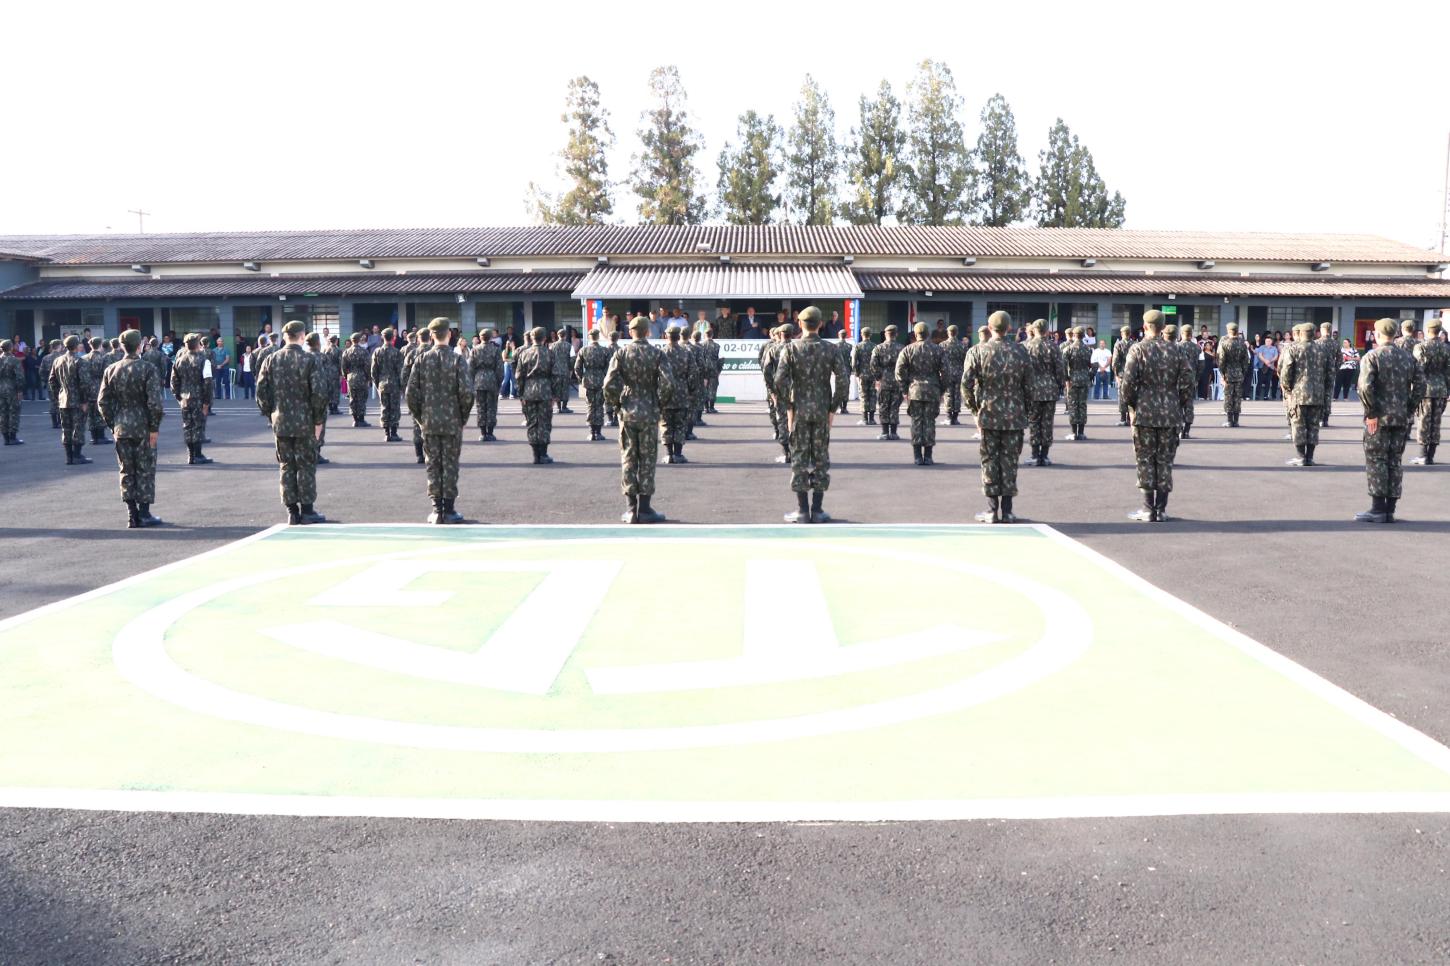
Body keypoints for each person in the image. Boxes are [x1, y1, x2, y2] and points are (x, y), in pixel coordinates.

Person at [1119, 310, 1195, 523]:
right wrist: (1178, 402)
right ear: (1163, 328)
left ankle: (1147, 509)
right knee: (1165, 461)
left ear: (1145, 326)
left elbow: (1127, 384)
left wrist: (1133, 405)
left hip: (1144, 413)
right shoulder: (1177, 350)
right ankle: (1161, 510)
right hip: (1170, 413)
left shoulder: (1138, 349)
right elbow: (1188, 381)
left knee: (1145, 460)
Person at [775, 306, 846, 522]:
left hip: (800, 411)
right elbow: (843, 381)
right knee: (821, 458)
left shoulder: (790, 349)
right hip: (822, 411)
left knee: (799, 458)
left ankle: (802, 510)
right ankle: (817, 510)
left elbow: (779, 381)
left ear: (800, 323)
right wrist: (832, 409)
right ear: (820, 324)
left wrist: (789, 407)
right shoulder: (831, 349)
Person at [603, 315, 678, 523]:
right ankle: (644, 508)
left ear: (630, 332)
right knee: (647, 459)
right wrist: (659, 403)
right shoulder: (657, 354)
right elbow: (669, 383)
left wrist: (617, 405)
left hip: (628, 412)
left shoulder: (621, 353)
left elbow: (608, 384)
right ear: (648, 332)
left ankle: (630, 509)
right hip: (649, 410)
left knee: (628, 458)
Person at [961, 311, 1031, 524]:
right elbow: (1030, 386)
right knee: (1010, 461)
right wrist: (1024, 410)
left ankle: (991, 510)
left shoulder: (977, 351)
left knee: (990, 460)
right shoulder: (1021, 351)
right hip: (1014, 416)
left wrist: (975, 410)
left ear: (990, 328)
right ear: (1009, 328)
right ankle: (1007, 511)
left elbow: (966, 384)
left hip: (989, 415)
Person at [255, 320, 328, 525]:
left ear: (285, 336)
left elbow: (261, 392)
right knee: (306, 465)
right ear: (302, 336)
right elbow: (319, 393)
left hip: (281, 421)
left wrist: (271, 414)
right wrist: (319, 421)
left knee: (286, 465)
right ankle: (307, 510)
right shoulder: (310, 360)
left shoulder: (271, 359)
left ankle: (292, 511)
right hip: (305, 422)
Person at [1356, 318, 1425, 523]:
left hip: (1379, 418)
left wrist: (1371, 413)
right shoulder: (1408, 357)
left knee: (1377, 460)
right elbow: (1421, 385)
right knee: (1394, 461)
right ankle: (1390, 509)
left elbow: (1365, 387)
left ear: (1377, 334)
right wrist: (1409, 408)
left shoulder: (1372, 356)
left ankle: (1378, 509)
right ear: (1395, 335)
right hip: (1400, 417)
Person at [405, 317, 474, 524]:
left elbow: (410, 394)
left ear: (432, 335)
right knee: (450, 464)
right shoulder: (457, 360)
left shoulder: (421, 360)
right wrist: (462, 418)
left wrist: (420, 418)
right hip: (452, 421)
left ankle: (436, 510)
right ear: (449, 334)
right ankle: (449, 510)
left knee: (433, 464)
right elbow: (467, 393)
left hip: (429, 422)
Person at [97, 329, 164, 528]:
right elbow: (155, 403)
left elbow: (102, 402)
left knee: (126, 470)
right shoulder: (148, 369)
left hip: (122, 426)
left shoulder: (111, 369)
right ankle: (144, 513)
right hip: (143, 426)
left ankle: (132, 514)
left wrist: (113, 424)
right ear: (139, 346)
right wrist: (154, 427)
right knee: (145, 468)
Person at [895, 321, 947, 466]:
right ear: (928, 333)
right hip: (932, 390)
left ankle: (917, 456)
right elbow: (946, 372)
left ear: (915, 334)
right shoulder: (938, 350)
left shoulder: (908, 350)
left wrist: (904, 389)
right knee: (929, 422)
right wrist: (941, 389)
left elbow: (899, 371)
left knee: (916, 422)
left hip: (915, 390)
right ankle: (928, 456)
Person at [1279, 323, 1329, 466]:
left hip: (1298, 394)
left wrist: (1287, 390)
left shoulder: (1293, 348)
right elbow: (1330, 372)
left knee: (1298, 425)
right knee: (1313, 426)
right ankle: (1310, 457)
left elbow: (1286, 371)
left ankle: (1301, 457)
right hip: (1317, 393)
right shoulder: (1322, 349)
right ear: (1314, 333)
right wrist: (1324, 390)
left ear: (1301, 334)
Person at [1023, 319, 1066, 467]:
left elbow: (1023, 369)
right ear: (1047, 331)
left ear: (1034, 330)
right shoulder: (1053, 347)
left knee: (1034, 422)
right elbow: (1060, 369)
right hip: (1050, 390)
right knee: (1047, 422)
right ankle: (1045, 455)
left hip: (1032, 390)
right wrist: (1060, 385)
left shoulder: (1027, 346)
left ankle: (1035, 455)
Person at [168, 333, 212, 465]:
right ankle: (198, 454)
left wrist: (179, 397)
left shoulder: (179, 360)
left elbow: (173, 382)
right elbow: (208, 383)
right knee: (198, 425)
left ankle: (190, 455)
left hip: (184, 399)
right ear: (198, 344)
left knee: (187, 426)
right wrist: (207, 402)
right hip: (198, 398)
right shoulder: (204, 360)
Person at [514, 326, 555, 464]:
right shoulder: (549, 353)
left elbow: (519, 376)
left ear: (532, 338)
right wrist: (555, 394)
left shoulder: (524, 353)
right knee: (544, 422)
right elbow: (555, 375)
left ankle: (535, 455)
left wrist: (521, 394)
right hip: (545, 390)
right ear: (544, 338)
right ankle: (543, 453)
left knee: (532, 422)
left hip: (529, 390)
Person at [47, 336, 91, 464]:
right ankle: (77, 455)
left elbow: (52, 381)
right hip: (77, 400)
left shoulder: (57, 361)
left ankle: (69, 456)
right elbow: (84, 383)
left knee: (66, 428)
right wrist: (84, 400)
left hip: (63, 399)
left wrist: (58, 395)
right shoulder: (80, 361)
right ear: (76, 346)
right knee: (78, 427)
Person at [1411, 317, 1447, 464]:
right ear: (1439, 332)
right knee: (1436, 423)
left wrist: (1413, 389)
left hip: (1425, 389)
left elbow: (1418, 370)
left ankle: (1423, 455)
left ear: (1427, 330)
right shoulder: (1446, 348)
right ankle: (1431, 455)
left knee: (1424, 422)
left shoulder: (1421, 347)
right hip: (1441, 389)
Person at [661, 326, 696, 464]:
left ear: (666, 336)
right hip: (682, 392)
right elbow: (693, 374)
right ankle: (678, 454)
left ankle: (668, 454)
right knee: (680, 424)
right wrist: (691, 391)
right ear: (678, 336)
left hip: (665, 393)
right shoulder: (686, 352)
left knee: (666, 424)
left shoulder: (661, 353)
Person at [575, 327, 612, 441]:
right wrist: (606, 378)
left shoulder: (583, 350)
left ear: (589, 337)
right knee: (599, 405)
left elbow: (577, 367)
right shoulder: (604, 350)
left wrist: (581, 378)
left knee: (590, 405)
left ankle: (592, 432)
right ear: (598, 337)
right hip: (601, 379)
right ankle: (598, 432)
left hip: (588, 380)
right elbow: (609, 367)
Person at [370, 327, 404, 443]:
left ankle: (386, 433)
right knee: (394, 408)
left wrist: (377, 383)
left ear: (382, 337)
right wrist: (401, 386)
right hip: (394, 384)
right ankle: (393, 433)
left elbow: (373, 371)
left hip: (382, 384)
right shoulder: (397, 352)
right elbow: (401, 371)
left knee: (384, 407)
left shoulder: (377, 352)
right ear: (393, 337)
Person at [871, 324, 904, 441]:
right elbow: (906, 366)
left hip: (884, 381)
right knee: (895, 407)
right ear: (896, 334)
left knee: (884, 406)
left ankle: (885, 432)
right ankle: (894, 433)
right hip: (897, 382)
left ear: (885, 334)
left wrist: (878, 378)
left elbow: (873, 365)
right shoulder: (902, 348)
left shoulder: (878, 348)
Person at [469, 328, 503, 442]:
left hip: (479, 379)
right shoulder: (495, 349)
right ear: (490, 337)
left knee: (480, 407)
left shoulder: (474, 350)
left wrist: (472, 382)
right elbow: (499, 369)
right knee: (491, 406)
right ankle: (490, 432)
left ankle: (483, 433)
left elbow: (470, 368)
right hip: (491, 379)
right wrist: (499, 383)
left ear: (480, 338)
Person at [1061, 326, 1093, 440]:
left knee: (1073, 405)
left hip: (1072, 381)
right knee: (1082, 405)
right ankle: (1081, 432)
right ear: (1083, 336)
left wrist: (1066, 379)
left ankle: (1074, 432)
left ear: (1074, 335)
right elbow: (1093, 365)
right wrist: (1089, 376)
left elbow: (1063, 365)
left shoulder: (1068, 349)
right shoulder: (1088, 350)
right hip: (1084, 380)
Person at [304, 333, 332, 465]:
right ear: (318, 343)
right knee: (319, 425)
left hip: (304, 398)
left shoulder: (302, 357)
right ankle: (316, 453)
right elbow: (328, 377)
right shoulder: (322, 357)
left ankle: (307, 452)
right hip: (319, 396)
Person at [1217, 323, 1251, 427]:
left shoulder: (1225, 343)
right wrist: (1243, 372)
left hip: (1228, 373)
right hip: (1239, 373)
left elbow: (1221, 360)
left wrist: (1222, 374)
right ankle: (1236, 421)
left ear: (1228, 331)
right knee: (1237, 397)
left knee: (1228, 397)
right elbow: (1246, 360)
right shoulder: (1242, 343)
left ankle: (1229, 420)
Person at [761, 327, 787, 459]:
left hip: (778, 389)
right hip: (795, 391)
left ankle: (786, 451)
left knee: (780, 416)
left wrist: (771, 390)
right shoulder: (797, 348)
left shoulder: (773, 349)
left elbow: (765, 369)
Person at [82, 337, 111, 444]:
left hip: (87, 387)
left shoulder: (84, 358)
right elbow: (107, 374)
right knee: (99, 412)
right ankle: (101, 436)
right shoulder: (103, 358)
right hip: (99, 387)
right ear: (100, 345)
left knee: (91, 414)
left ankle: (94, 437)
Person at [1175, 324, 1200, 439]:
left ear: (1181, 334)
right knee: (1189, 404)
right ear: (1191, 334)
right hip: (1191, 380)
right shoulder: (1197, 348)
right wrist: (1196, 378)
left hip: (1178, 380)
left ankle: (1179, 430)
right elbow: (1201, 365)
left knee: (1178, 405)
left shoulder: (1176, 347)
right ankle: (1187, 430)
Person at [939, 324, 968, 426]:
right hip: (959, 373)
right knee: (957, 394)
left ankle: (948, 417)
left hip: (947, 373)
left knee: (948, 394)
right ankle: (955, 417)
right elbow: (966, 360)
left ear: (948, 333)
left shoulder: (942, 345)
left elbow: (940, 360)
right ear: (957, 333)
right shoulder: (962, 346)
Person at [342, 332, 372, 427]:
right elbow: (367, 366)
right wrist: (369, 378)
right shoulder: (364, 352)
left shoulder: (346, 352)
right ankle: (361, 419)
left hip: (351, 377)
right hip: (362, 377)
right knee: (362, 398)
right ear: (359, 340)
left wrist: (346, 377)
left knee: (353, 398)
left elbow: (343, 367)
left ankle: (355, 420)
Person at [852, 326, 877, 426]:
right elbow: (877, 361)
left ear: (862, 334)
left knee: (863, 395)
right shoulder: (875, 346)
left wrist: (856, 373)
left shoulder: (858, 346)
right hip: (872, 375)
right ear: (870, 335)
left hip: (862, 375)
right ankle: (872, 418)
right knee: (872, 395)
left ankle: (864, 419)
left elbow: (854, 362)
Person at [1110, 326, 1134, 427]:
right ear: (1130, 333)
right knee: (1131, 395)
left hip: (1122, 374)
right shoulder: (1134, 344)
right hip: (1132, 373)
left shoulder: (1118, 344)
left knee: (1122, 395)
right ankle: (1130, 417)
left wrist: (1116, 374)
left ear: (1122, 333)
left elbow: (1115, 361)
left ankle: (1123, 418)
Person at [0, 340, 22, 445]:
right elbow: (19, 376)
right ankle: (13, 437)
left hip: (1, 388)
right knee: (13, 412)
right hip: (11, 389)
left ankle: (5, 438)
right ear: (11, 347)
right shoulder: (14, 360)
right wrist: (20, 390)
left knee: (3, 413)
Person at [1315, 322, 1336, 427]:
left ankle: (1318, 417)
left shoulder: (1316, 343)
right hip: (1330, 373)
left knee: (1318, 394)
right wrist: (1334, 369)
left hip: (1318, 373)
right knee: (1328, 395)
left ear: (1322, 330)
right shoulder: (1335, 343)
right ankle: (1325, 419)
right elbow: (1340, 359)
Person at [550, 327, 574, 413]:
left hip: (555, 371)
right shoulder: (569, 346)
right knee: (565, 389)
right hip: (565, 370)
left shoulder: (552, 346)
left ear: (558, 335)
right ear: (565, 335)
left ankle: (558, 408)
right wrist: (571, 370)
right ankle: (564, 407)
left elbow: (550, 358)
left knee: (557, 389)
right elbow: (572, 359)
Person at [701, 325, 723, 415]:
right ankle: (712, 407)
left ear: (705, 335)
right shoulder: (717, 346)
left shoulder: (701, 345)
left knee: (704, 388)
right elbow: (719, 359)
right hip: (714, 368)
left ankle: (706, 407)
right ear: (712, 335)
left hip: (704, 368)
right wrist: (719, 370)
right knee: (713, 388)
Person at [833, 327, 853, 415]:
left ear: (839, 335)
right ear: (846, 336)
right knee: (846, 388)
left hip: (838, 370)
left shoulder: (835, 346)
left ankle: (839, 407)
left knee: (838, 388)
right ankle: (844, 408)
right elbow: (851, 359)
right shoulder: (849, 346)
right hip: (847, 369)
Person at [323, 335, 343, 415]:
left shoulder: (325, 349)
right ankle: (334, 407)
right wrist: (341, 374)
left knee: (329, 389)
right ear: (336, 341)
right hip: (335, 372)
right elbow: (340, 363)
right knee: (335, 390)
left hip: (326, 372)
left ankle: (330, 406)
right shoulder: (338, 350)